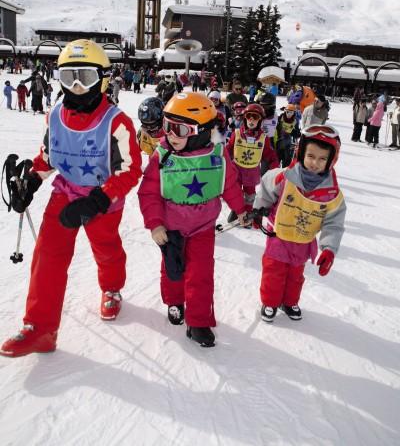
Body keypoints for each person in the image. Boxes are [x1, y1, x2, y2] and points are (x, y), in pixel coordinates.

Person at [1, 40, 142, 358]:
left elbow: (131, 171)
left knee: (105, 250)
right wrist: (32, 181)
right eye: (69, 77)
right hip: (65, 194)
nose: (77, 86)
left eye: (85, 77)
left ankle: (111, 288)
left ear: (103, 78)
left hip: (102, 197)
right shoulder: (55, 115)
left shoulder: (117, 122)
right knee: (48, 256)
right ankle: (40, 328)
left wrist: (97, 201)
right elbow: (49, 156)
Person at [138, 92, 248, 348]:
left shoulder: (217, 157)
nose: (170, 135)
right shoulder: (163, 157)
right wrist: (155, 223)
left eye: (179, 129)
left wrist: (241, 208)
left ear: (201, 131)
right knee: (173, 269)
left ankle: (199, 321)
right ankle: (175, 301)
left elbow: (230, 184)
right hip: (171, 228)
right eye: (167, 126)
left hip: (202, 228)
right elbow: (149, 192)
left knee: (201, 274)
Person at [253, 124, 346, 322]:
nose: (315, 163)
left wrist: (329, 249)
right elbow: (266, 187)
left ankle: (289, 301)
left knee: (296, 275)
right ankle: (270, 301)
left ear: (331, 160)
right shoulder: (285, 176)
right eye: (311, 156)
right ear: (302, 152)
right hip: (279, 236)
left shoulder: (331, 194)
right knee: (274, 271)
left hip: (303, 241)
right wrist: (259, 209)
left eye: (322, 159)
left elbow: (334, 223)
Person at [226, 103, 279, 221]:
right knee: (236, 193)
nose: (251, 120)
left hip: (252, 171)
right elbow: (228, 149)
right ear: (245, 118)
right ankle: (237, 211)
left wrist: (275, 167)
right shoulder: (237, 134)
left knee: (250, 194)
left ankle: (248, 213)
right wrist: (221, 158)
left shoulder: (263, 138)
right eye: (249, 116)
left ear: (260, 120)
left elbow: (269, 154)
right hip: (237, 170)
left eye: (255, 117)